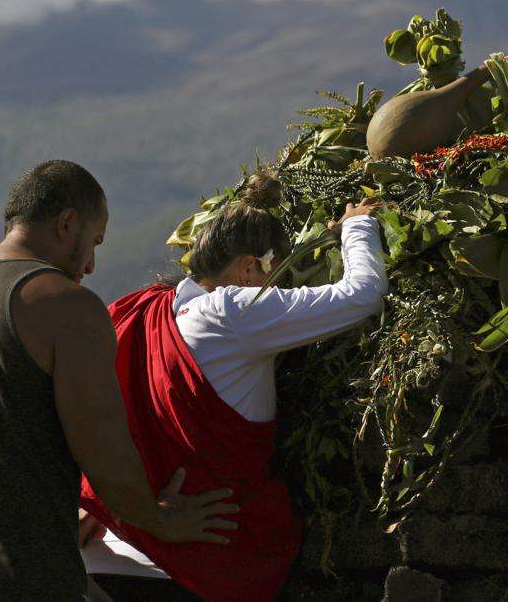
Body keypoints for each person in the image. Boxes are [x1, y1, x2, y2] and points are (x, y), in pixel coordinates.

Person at [0, 160, 237, 601]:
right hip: (18, 582)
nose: (92, 264)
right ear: (67, 223)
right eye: (93, 242)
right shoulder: (66, 306)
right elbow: (102, 446)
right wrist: (161, 520)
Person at [79, 171, 387, 601]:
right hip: (189, 568)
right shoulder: (234, 310)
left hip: (103, 557)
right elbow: (362, 294)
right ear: (247, 268)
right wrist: (358, 225)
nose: (273, 291)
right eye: (272, 276)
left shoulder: (140, 309)